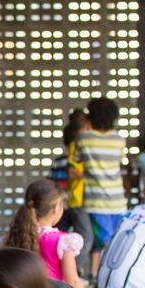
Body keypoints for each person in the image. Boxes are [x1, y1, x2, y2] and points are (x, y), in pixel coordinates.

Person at [74, 98, 129, 279]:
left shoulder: (83, 139)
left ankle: (97, 275)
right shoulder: (119, 140)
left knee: (98, 243)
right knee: (113, 244)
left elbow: (76, 161)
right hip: (117, 202)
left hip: (94, 202)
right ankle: (108, 277)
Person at [48, 108, 97, 259]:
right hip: (73, 202)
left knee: (57, 237)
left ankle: (55, 269)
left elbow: (51, 182)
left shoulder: (60, 161)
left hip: (63, 204)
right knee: (85, 237)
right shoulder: (80, 157)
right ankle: (71, 271)